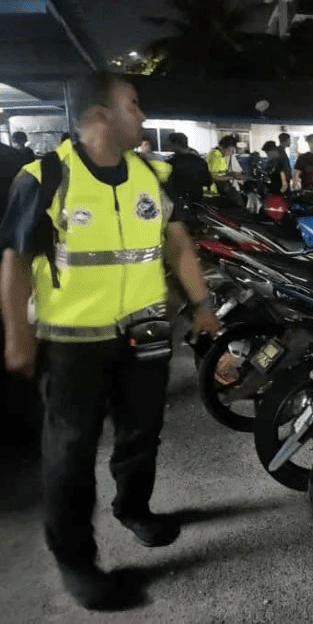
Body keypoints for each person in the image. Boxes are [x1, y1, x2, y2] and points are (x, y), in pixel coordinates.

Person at [0, 72, 221, 610]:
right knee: (70, 452)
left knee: (143, 430)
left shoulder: (151, 175)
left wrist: (202, 304)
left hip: (145, 332)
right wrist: (18, 336)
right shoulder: (45, 177)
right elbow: (16, 261)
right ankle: (77, 562)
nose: (142, 115)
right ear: (99, 115)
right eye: (133, 105)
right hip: (70, 342)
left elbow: (177, 246)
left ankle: (134, 508)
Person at [166, 132, 211, 205]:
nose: (168, 146)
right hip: (196, 201)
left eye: (169, 144)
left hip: (177, 203)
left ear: (176, 144)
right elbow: (207, 182)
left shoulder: (170, 163)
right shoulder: (200, 161)